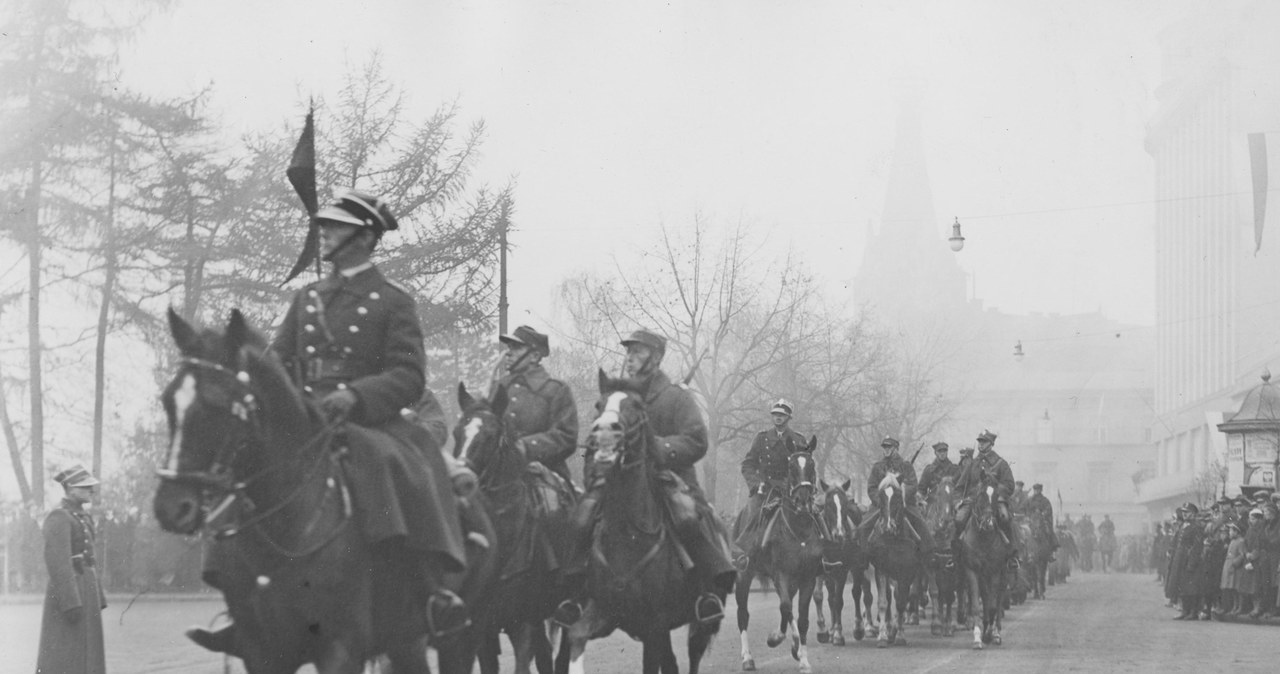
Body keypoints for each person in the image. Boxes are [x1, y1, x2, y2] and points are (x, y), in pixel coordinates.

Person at [187, 190, 469, 654]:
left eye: (334, 227)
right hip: (304, 416)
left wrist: (356, 395)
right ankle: (241, 604)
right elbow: (278, 363)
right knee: (243, 469)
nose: (324, 234)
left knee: (388, 462)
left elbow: (409, 374)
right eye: (324, 227)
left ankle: (427, 590)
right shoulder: (309, 298)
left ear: (364, 236)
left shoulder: (393, 301)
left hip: (365, 418)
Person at [555, 329, 736, 627]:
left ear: (656, 358)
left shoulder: (676, 396)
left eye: (637, 352)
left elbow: (696, 440)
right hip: (621, 478)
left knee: (689, 517)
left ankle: (707, 592)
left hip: (669, 476)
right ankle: (576, 593)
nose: (630, 357)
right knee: (583, 516)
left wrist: (659, 448)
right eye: (628, 352)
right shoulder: (616, 398)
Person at [37, 464, 107, 674]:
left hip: (86, 588)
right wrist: (70, 602)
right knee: (67, 652)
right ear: (71, 489)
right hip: (70, 593)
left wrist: (98, 595)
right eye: (85, 487)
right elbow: (59, 565)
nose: (91, 491)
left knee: (89, 650)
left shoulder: (81, 517)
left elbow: (90, 559)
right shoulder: (59, 517)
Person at [495, 325, 579, 487]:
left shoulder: (556, 390)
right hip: (498, 472)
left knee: (555, 508)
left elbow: (566, 437)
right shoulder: (498, 388)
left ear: (534, 356)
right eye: (509, 347)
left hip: (543, 473)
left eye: (517, 348)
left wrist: (525, 447)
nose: (508, 353)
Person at [734, 399, 809, 565]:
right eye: (775, 414)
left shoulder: (799, 440)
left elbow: (806, 466)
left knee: (814, 513)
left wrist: (805, 486)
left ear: (789, 417)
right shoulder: (762, 438)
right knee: (754, 512)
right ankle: (744, 554)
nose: (778, 418)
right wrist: (756, 484)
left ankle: (821, 558)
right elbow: (748, 464)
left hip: (791, 489)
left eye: (782, 415)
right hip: (766, 488)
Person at [954, 429, 1019, 569]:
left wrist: (995, 489)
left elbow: (1009, 485)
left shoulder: (1001, 463)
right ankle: (955, 556)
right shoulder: (972, 464)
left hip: (994, 500)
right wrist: (958, 501)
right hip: (973, 500)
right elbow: (959, 486)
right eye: (979, 441)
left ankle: (1012, 555)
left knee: (1005, 518)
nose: (981, 444)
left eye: (984, 442)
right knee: (959, 519)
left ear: (991, 444)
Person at [861, 437, 934, 555]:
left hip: (904, 503)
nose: (886, 449)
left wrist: (901, 496)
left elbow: (913, 484)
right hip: (882, 504)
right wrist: (880, 501)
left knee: (921, 524)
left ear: (896, 449)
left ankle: (928, 556)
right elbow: (872, 487)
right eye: (885, 447)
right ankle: (862, 558)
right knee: (864, 526)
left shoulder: (906, 466)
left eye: (889, 447)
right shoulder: (877, 467)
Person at [1026, 483, 1060, 552]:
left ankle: (1052, 547)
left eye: (1038, 490)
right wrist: (1028, 515)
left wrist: (1043, 513)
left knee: (1048, 530)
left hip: (1042, 519)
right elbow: (1026, 509)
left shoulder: (1045, 500)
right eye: (1035, 490)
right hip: (1031, 519)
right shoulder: (1030, 500)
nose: (1036, 491)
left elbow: (1048, 509)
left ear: (1040, 490)